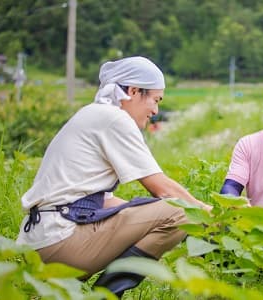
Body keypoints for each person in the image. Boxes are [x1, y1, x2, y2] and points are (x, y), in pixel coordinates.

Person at [16, 56, 210, 297]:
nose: (155, 110)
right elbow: (163, 190)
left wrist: (143, 218)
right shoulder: (114, 119)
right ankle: (104, 296)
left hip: (38, 244)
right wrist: (211, 214)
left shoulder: (94, 115)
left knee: (152, 210)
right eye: (155, 100)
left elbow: (104, 200)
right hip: (58, 241)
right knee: (179, 211)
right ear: (133, 91)